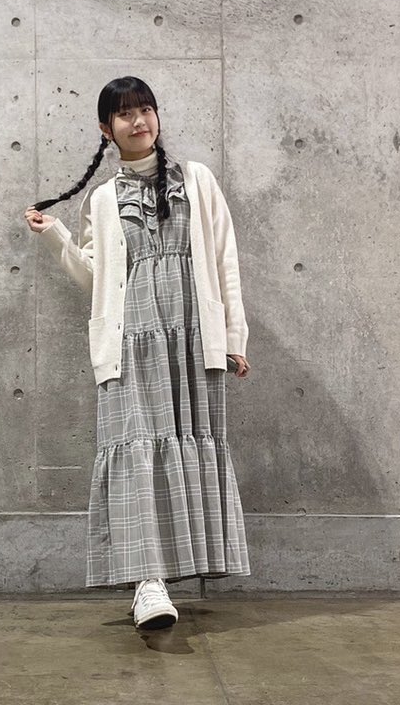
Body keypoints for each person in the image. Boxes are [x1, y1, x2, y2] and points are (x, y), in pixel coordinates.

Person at [24, 75, 251, 631]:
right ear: (107, 129)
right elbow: (96, 278)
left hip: (193, 336)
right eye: (125, 114)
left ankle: (174, 573)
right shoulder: (103, 200)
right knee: (135, 455)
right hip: (131, 341)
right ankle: (148, 584)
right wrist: (55, 236)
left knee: (186, 449)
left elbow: (225, 257)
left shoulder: (196, 179)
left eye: (145, 109)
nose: (138, 120)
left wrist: (234, 338)